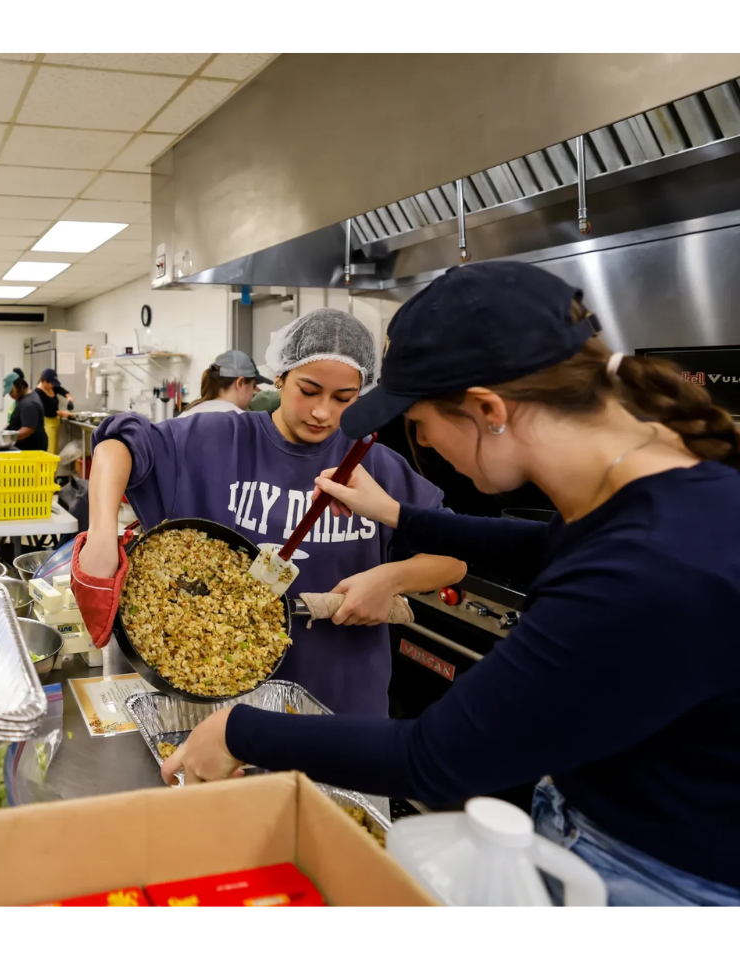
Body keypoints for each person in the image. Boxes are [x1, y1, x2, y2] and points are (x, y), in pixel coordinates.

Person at [161, 262, 740, 907]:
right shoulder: (664, 489)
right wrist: (397, 517)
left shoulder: (650, 562)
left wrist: (241, 732)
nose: (424, 444)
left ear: (488, 410)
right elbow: (542, 545)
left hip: (664, 881)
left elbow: (437, 758)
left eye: (419, 423)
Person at [72, 309, 465, 716]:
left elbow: (454, 557)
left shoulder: (376, 468)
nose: (323, 412)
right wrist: (101, 533)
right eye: (308, 391)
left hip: (342, 710)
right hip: (219, 708)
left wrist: (390, 577)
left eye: (344, 399)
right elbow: (118, 442)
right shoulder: (217, 440)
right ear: (279, 376)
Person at [180, 349, 271, 418]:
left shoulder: (187, 414)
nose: (254, 392)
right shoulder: (242, 421)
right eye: (254, 385)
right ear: (240, 384)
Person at [36, 367, 73, 455]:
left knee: (55, 450)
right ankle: (49, 469)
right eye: (51, 383)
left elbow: (61, 389)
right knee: (50, 451)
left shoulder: (52, 387)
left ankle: (54, 469)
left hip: (55, 422)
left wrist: (68, 397)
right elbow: (48, 411)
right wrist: (63, 413)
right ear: (44, 382)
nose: (53, 385)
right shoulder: (38, 393)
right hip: (47, 424)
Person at [8, 376, 49, 452]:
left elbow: (28, 429)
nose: (11, 395)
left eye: (11, 391)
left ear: (20, 385)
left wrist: (7, 438)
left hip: (31, 449)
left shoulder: (29, 403)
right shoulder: (24, 399)